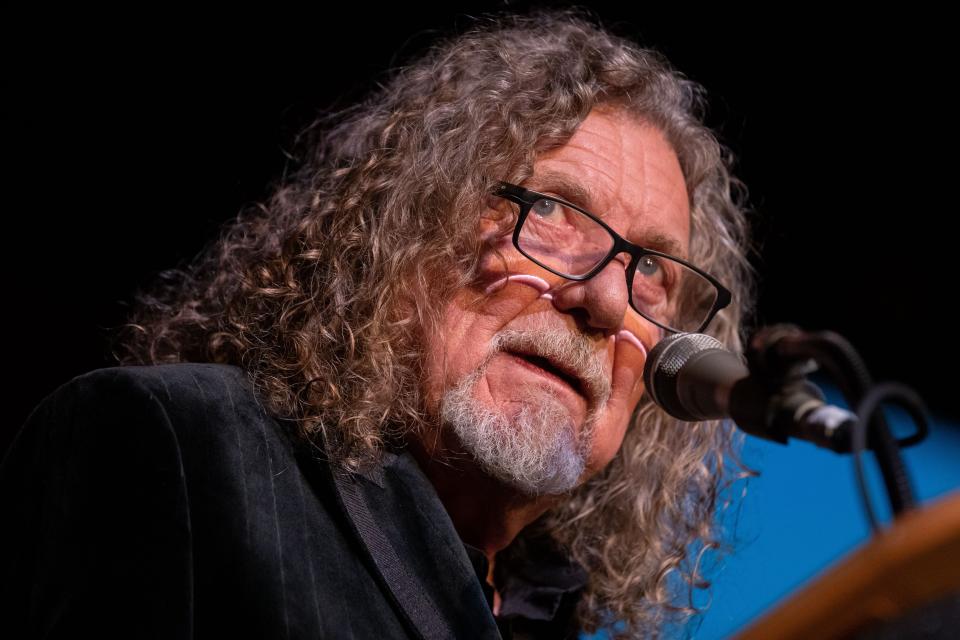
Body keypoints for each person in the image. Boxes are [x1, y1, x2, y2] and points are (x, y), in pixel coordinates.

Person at [1, 9, 757, 640]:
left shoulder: (545, 616)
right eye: (553, 209)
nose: (604, 299)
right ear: (405, 227)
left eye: (653, 269)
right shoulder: (173, 448)